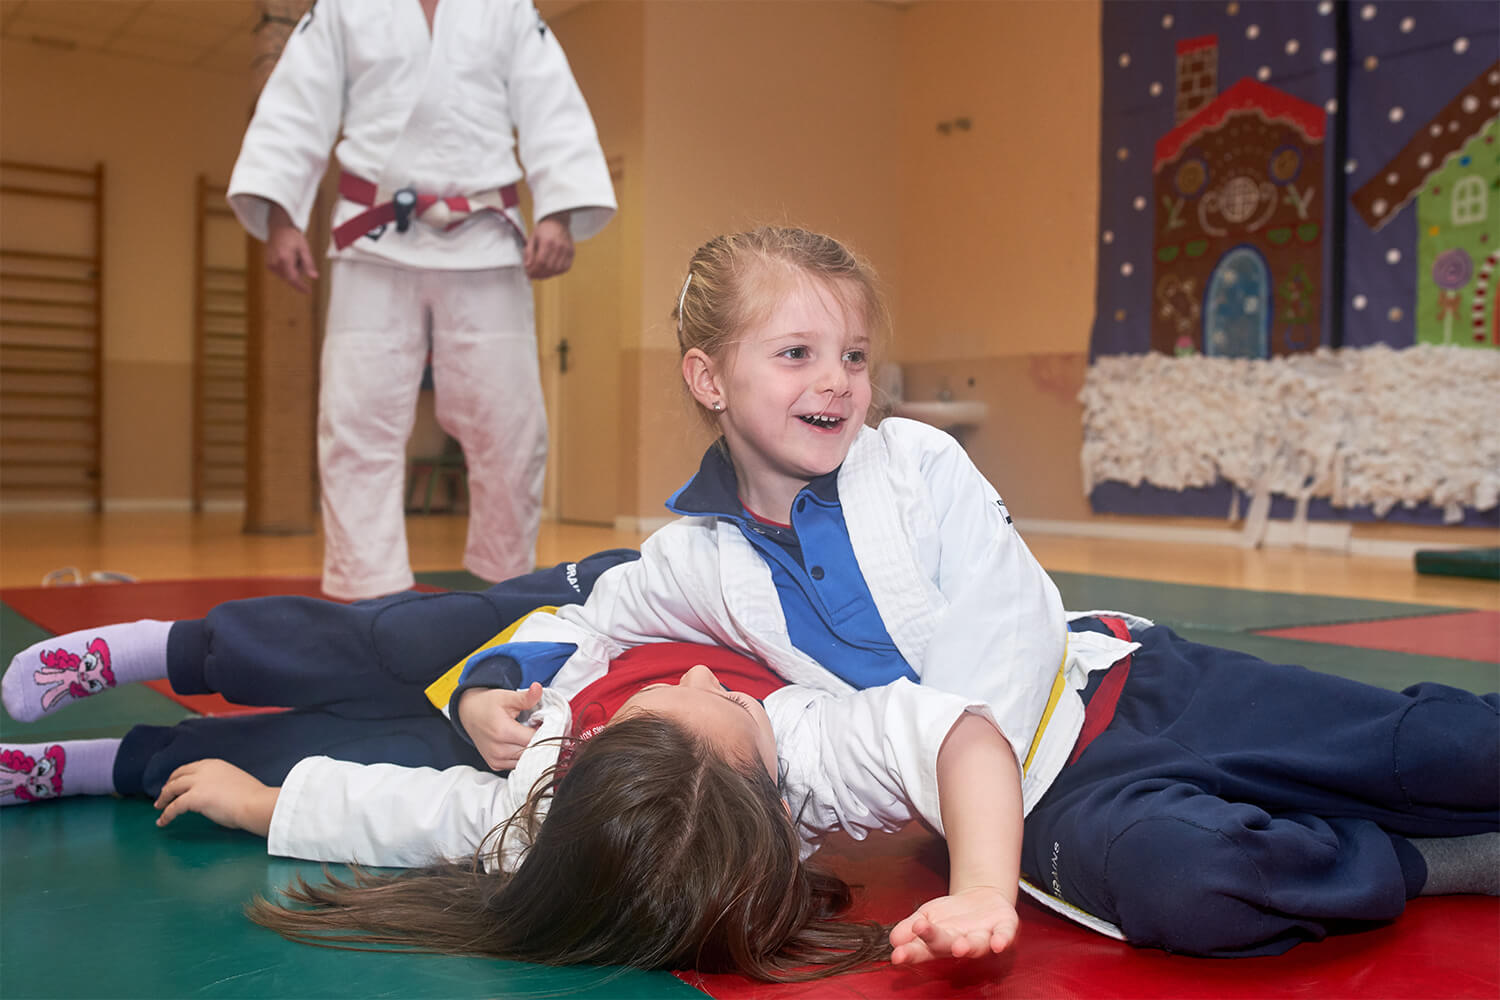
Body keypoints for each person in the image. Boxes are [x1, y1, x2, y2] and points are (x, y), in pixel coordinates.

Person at [5, 226, 1497, 960]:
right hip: (1041, 806)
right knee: (1195, 889)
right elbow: (497, 763)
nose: (837, 383)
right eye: (796, 357)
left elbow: (977, 667)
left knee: (1417, 738)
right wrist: (479, 712)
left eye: (850, 355)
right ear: (711, 382)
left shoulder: (913, 468)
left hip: (1118, 687)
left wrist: (505, 686)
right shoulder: (707, 580)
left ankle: (1436, 794)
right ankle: (1441, 868)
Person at [3, 609, 1024, 979]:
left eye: (695, 698)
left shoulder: (550, 814)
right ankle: (160, 647)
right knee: (398, 642)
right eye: (709, 692)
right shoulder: (795, 736)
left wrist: (258, 802)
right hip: (575, 602)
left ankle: (115, 759)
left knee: (384, 737)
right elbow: (958, 734)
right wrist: (493, 680)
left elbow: (418, 814)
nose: (712, 678)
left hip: (527, 705)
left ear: (584, 769)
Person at [227, 0, 616, 600]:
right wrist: (282, 217)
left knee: (510, 428)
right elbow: (296, 105)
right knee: (356, 421)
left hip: (485, 236)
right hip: (372, 237)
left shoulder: (505, 9)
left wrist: (560, 212)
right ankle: (368, 596)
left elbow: (552, 107)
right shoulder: (342, 8)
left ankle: (504, 590)